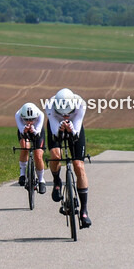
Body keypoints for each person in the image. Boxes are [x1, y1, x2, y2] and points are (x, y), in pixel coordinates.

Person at [45, 87, 91, 228]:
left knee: (79, 165)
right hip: (55, 127)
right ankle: (57, 180)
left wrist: (71, 130)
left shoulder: (80, 104)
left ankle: (84, 211)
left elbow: (76, 133)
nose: (65, 115)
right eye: (62, 113)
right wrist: (60, 128)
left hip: (75, 126)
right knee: (55, 155)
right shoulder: (49, 105)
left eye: (68, 113)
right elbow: (55, 134)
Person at [15, 102, 47, 194]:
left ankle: (41, 180)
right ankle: (22, 175)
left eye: (32, 119)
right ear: (22, 117)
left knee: (38, 155)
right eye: (26, 119)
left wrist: (34, 130)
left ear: (36, 117)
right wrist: (24, 130)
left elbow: (38, 131)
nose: (29, 121)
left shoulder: (40, 115)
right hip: (24, 130)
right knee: (25, 147)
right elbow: (21, 130)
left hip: (37, 130)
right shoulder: (18, 114)